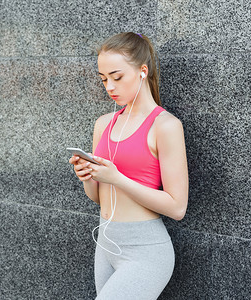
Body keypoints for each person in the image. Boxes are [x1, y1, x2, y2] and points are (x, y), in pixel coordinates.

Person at [68, 32, 188, 299]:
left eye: (117, 77)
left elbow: (177, 207)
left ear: (142, 71)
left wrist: (117, 177)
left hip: (145, 250)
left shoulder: (165, 126)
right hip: (107, 246)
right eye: (104, 79)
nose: (109, 86)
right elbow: (98, 197)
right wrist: (88, 175)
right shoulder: (103, 124)